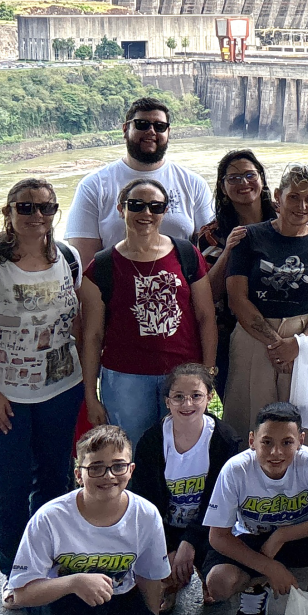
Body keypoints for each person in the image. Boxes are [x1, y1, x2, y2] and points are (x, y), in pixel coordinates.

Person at [0, 177, 84, 575]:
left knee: (55, 483)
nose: (36, 215)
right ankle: (16, 574)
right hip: (0, 395)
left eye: (45, 207)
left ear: (55, 212)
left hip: (60, 389)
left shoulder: (68, 257)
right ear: (8, 212)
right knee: (10, 489)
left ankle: (48, 562)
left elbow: (76, 321)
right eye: (25, 207)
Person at [2, 424, 171, 615]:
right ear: (78, 474)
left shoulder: (145, 515)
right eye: (96, 468)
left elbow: (149, 578)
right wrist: (73, 581)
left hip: (118, 595)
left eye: (118, 466)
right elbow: (21, 594)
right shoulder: (50, 518)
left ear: (130, 470)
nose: (108, 476)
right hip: (59, 603)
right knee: (87, 594)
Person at [78, 178, 217, 447]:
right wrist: (90, 395)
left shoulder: (186, 254)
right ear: (121, 209)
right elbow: (93, 335)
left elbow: (205, 316)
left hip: (183, 376)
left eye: (155, 206)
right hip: (125, 379)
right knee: (133, 450)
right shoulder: (102, 267)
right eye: (137, 205)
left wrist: (207, 373)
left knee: (182, 448)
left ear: (165, 212)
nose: (146, 213)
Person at [202, 401, 308, 615]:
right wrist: (269, 568)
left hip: (298, 534)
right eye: (267, 442)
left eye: (287, 442)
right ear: (252, 440)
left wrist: (282, 534)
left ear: (301, 441)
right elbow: (218, 536)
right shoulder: (235, 470)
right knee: (219, 583)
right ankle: (256, 586)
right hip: (251, 539)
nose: (276, 453)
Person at [224, 165, 308, 456]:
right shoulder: (248, 238)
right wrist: (275, 343)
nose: (302, 206)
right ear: (278, 196)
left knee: (306, 423)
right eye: (294, 197)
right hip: (255, 337)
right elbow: (237, 298)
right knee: (251, 419)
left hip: (306, 339)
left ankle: (304, 493)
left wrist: (299, 344)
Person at [128, 363, 243, 615]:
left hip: (212, 529)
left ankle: (204, 573)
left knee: (220, 584)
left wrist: (190, 541)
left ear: (209, 398)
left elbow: (222, 504)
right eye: (178, 397)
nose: (187, 403)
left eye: (196, 396)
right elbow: (146, 505)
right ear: (167, 401)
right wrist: (167, 548)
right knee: (157, 574)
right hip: (166, 529)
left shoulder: (224, 439)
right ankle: (171, 585)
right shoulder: (152, 441)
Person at [66, 97, 214, 271]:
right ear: (125, 129)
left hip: (179, 293)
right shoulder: (93, 185)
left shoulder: (193, 184)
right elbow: (85, 263)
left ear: (168, 132)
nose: (151, 131)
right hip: (115, 293)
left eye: (159, 126)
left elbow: (208, 251)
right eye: (142, 124)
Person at [196, 150, 278, 398]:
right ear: (222, 187)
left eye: (250, 175)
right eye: (233, 178)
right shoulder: (212, 234)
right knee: (242, 411)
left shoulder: (286, 219)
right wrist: (230, 249)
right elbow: (208, 294)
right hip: (231, 337)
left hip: (284, 331)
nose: (243, 183)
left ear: (262, 179)